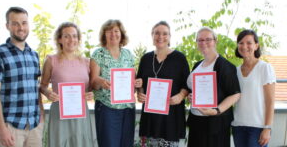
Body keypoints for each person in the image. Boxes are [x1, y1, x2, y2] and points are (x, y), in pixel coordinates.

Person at [0, 7, 43, 147]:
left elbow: (36, 87)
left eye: (24, 23)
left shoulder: (33, 55)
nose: (20, 27)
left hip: (34, 126)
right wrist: (2, 129)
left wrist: (41, 117)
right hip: (11, 126)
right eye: (15, 23)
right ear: (7, 26)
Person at [39, 22, 94, 147]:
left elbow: (90, 87)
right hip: (59, 113)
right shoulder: (51, 60)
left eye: (74, 36)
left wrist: (91, 93)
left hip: (81, 114)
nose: (71, 40)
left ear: (78, 39)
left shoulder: (86, 62)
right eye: (67, 36)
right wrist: (48, 93)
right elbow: (42, 85)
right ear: (60, 39)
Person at [137, 21, 190, 146]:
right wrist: (140, 93)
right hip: (150, 118)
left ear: (170, 37)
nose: (160, 37)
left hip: (171, 118)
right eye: (157, 33)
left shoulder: (180, 58)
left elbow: (188, 84)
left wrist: (180, 96)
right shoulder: (145, 59)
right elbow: (140, 84)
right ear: (152, 36)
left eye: (165, 34)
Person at [90, 19, 142, 147]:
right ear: (104, 34)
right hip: (107, 108)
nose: (113, 34)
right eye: (109, 31)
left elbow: (133, 83)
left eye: (116, 31)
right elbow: (93, 83)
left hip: (128, 109)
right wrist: (100, 81)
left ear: (121, 34)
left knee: (126, 144)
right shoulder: (98, 54)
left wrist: (137, 83)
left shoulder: (128, 54)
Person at [186, 27, 241, 147]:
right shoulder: (197, 65)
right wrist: (191, 97)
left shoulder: (225, 66)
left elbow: (235, 94)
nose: (203, 43)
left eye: (208, 39)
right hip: (196, 120)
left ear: (215, 41)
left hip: (215, 122)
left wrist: (216, 110)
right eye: (200, 40)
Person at [231, 29, 276, 147]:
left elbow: (270, 101)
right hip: (238, 126)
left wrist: (267, 128)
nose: (244, 46)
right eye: (241, 43)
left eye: (249, 43)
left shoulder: (265, 68)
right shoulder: (235, 71)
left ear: (256, 46)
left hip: (258, 128)